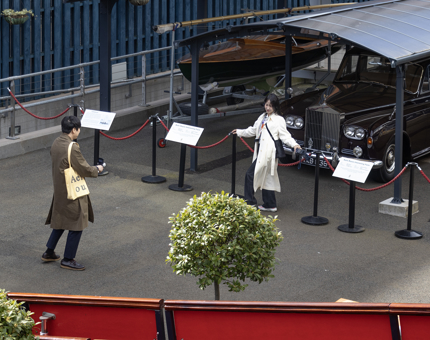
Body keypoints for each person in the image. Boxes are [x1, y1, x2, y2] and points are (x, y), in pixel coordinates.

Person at [41, 116, 103, 270]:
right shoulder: (72, 146)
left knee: (61, 220)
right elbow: (84, 169)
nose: (79, 131)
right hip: (72, 189)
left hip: (60, 188)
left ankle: (49, 252)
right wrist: (98, 169)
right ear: (74, 129)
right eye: (78, 129)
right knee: (77, 222)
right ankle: (68, 258)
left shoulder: (56, 142)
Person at [232, 94, 301, 212]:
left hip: (269, 152)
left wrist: (295, 145)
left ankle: (250, 202)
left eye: (271, 106)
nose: (268, 108)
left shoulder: (279, 120)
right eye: (266, 105)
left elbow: (285, 136)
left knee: (250, 174)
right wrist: (239, 132)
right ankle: (270, 204)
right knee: (267, 176)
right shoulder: (262, 116)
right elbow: (253, 130)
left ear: (275, 107)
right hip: (261, 150)